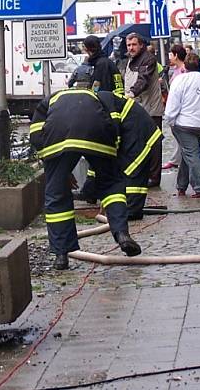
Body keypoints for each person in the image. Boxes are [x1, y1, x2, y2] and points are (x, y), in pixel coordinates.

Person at [30, 66, 142, 270]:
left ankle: (61, 256)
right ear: (92, 84)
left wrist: (55, 167)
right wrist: (109, 159)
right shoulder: (98, 98)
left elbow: (36, 133)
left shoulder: (53, 98)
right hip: (97, 136)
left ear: (71, 82)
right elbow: (113, 127)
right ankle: (122, 234)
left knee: (56, 195)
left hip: (58, 140)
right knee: (112, 184)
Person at [96, 89, 161, 219]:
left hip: (141, 134)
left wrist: (93, 180)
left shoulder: (101, 103)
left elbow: (112, 138)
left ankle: (132, 211)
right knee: (128, 170)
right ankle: (130, 208)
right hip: (133, 132)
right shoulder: (98, 103)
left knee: (133, 169)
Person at [164, 53, 200, 198]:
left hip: (184, 124)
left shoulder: (180, 80)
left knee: (191, 154)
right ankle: (181, 186)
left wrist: (170, 121)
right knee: (188, 153)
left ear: (185, 66)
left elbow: (172, 105)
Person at [123, 33, 165, 187]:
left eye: (134, 45)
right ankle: (143, 174)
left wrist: (131, 93)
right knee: (139, 142)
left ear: (141, 45)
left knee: (154, 144)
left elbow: (144, 79)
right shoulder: (130, 60)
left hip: (150, 109)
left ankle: (154, 178)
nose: (131, 48)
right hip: (137, 108)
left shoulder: (148, 59)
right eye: (128, 45)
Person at [162, 44, 188, 170]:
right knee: (175, 135)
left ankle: (178, 159)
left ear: (176, 55)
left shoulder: (184, 70)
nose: (169, 58)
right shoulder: (176, 70)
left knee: (180, 135)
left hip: (182, 108)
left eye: (171, 55)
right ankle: (176, 159)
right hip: (174, 106)